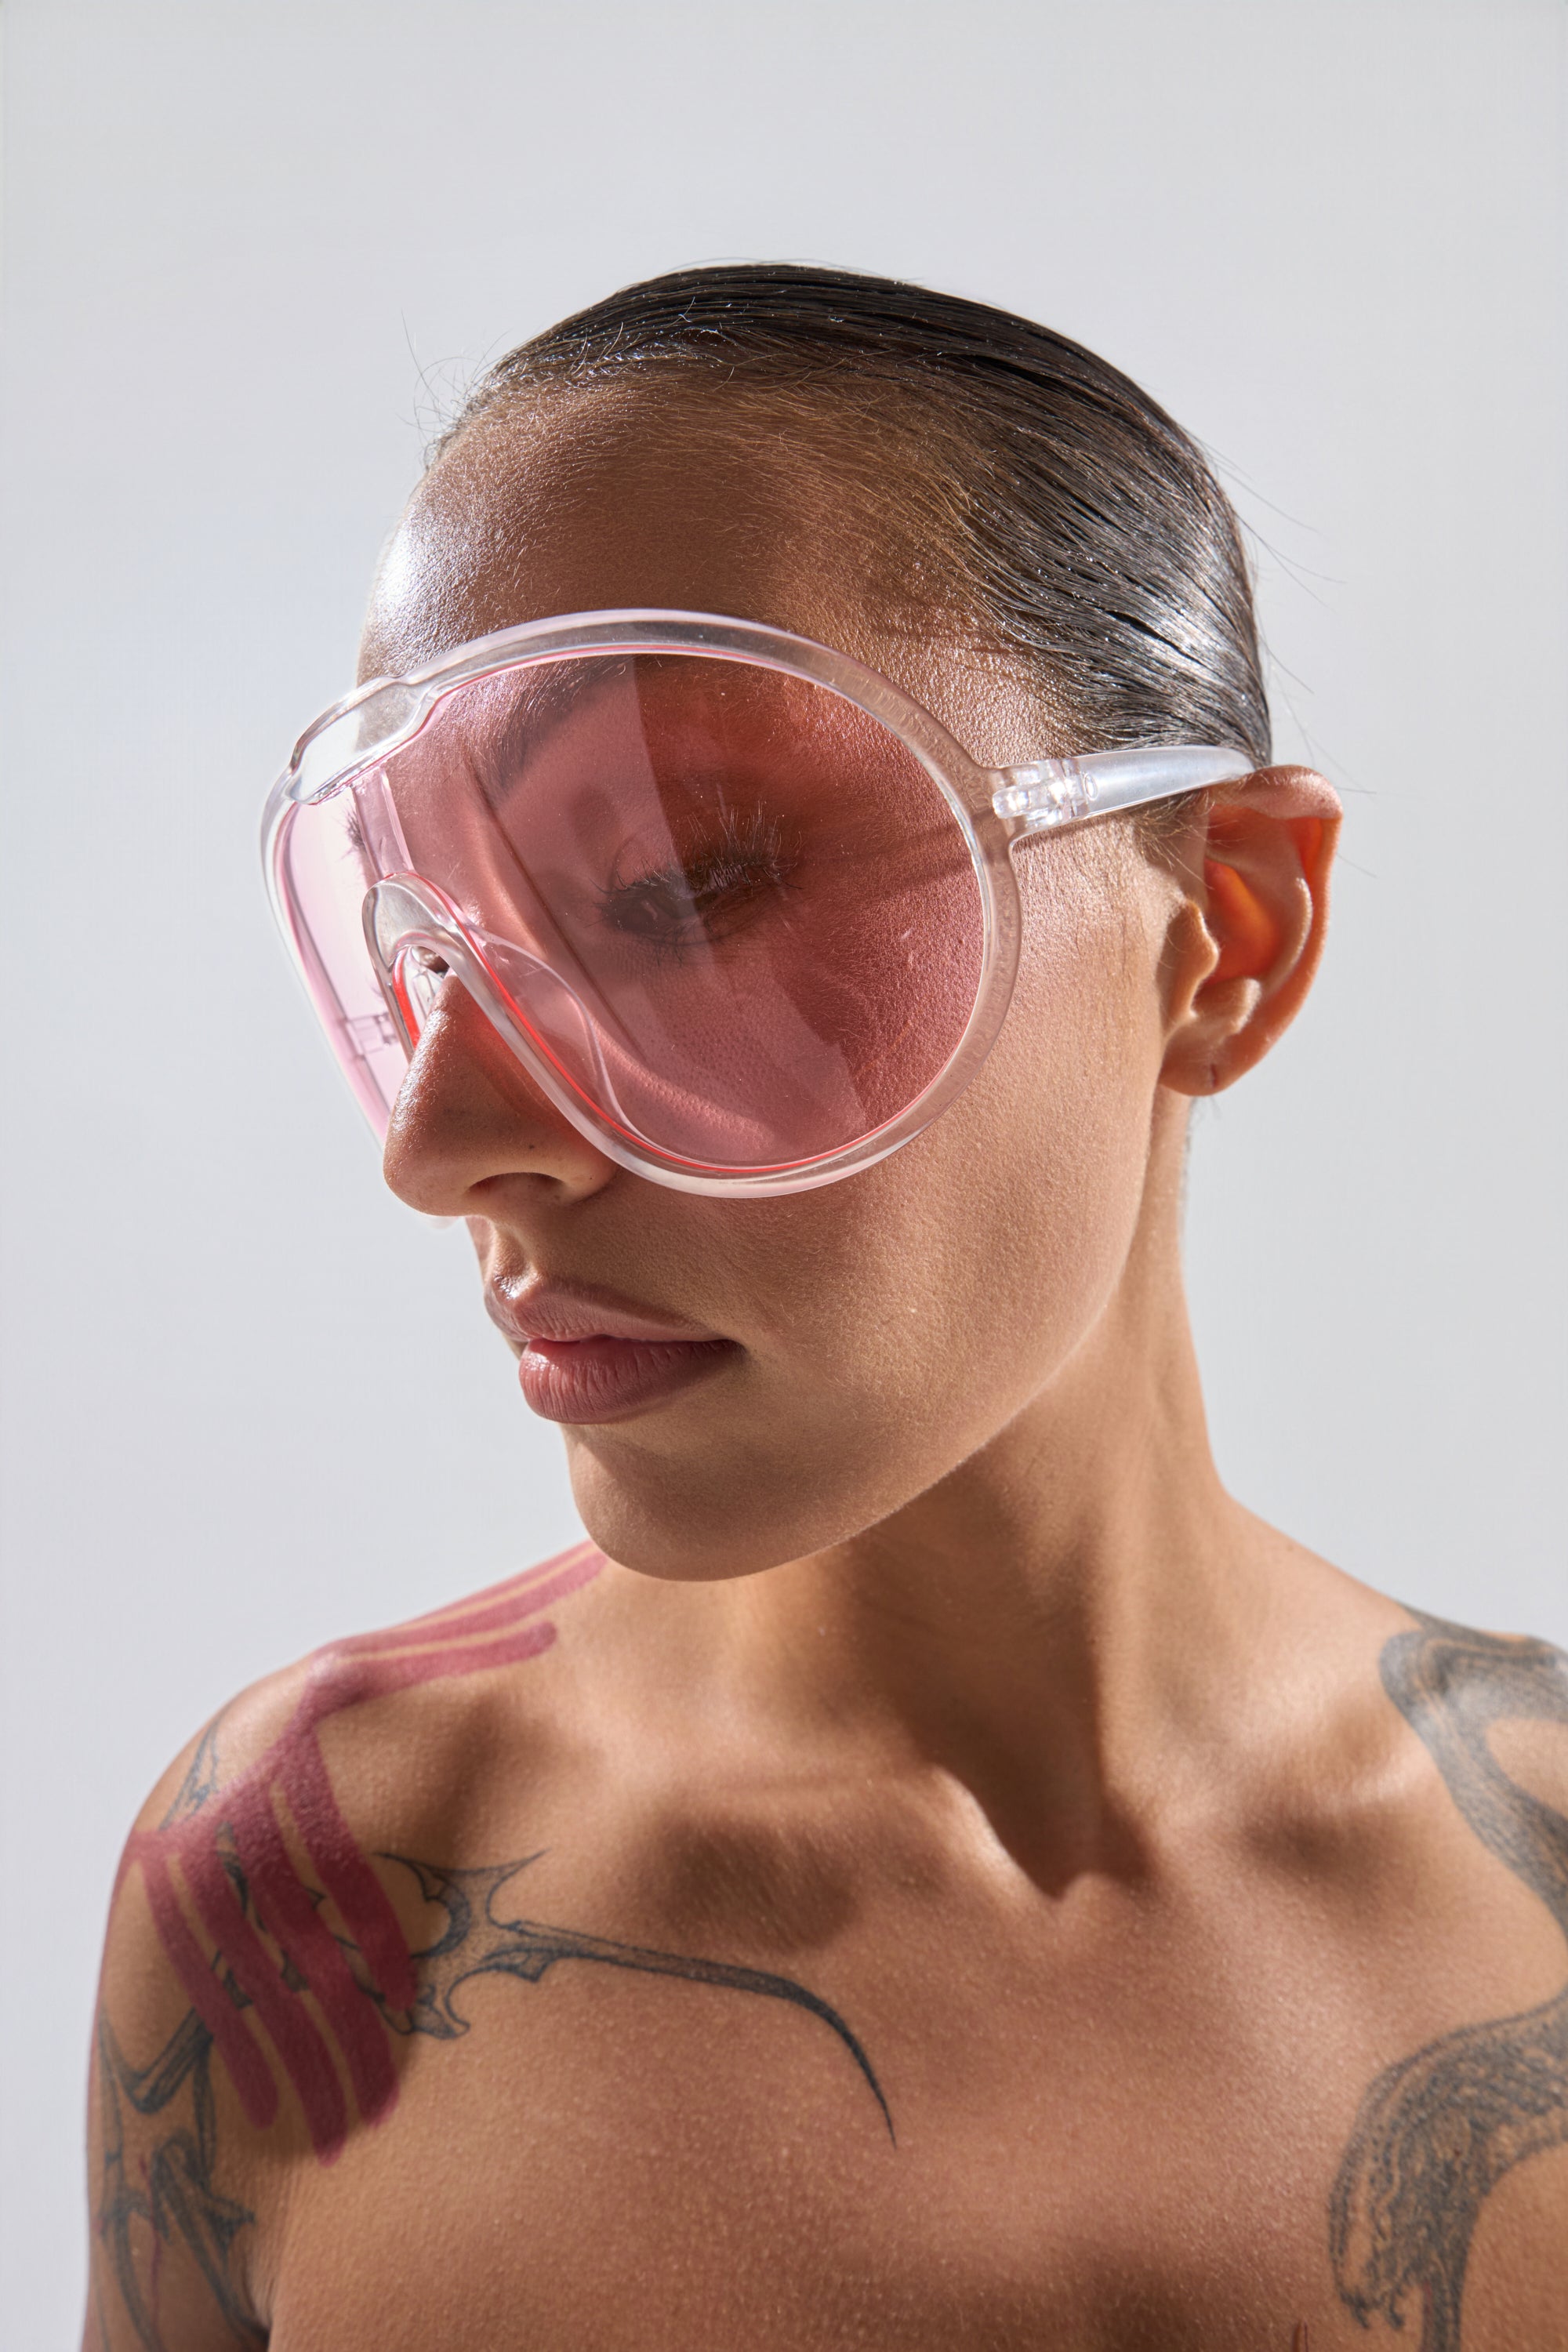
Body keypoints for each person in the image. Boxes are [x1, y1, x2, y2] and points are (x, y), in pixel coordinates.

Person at [85, 267, 1567, 2352]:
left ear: (1227, 934)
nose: (443, 1142)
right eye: (424, 943)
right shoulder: (317, 1899)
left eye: (678, 884)